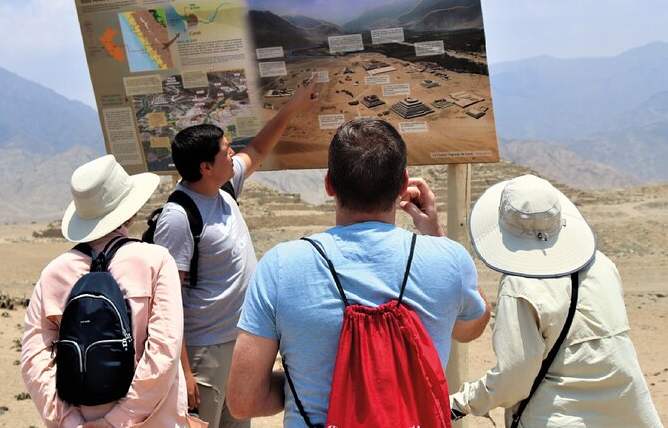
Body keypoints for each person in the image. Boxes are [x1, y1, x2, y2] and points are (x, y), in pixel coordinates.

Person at [226, 118, 491, 426]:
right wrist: (435, 233)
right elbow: (470, 328)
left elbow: (244, 401)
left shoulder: (280, 266)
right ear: (404, 184)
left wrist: (307, 378)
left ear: (329, 184)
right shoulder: (449, 260)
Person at [153, 78, 319, 428]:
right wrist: (183, 371)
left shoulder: (224, 187)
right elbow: (167, 302)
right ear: (205, 167)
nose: (233, 154)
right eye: (226, 150)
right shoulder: (179, 218)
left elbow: (257, 150)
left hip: (240, 344)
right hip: (204, 354)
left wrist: (294, 105)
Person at [450, 174, 663, 427]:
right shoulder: (603, 264)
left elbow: (514, 376)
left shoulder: (519, 284)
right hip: (628, 412)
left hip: (558, 416)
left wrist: (461, 403)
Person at [21, 154, 204, 428]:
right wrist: (118, 420)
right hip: (153, 420)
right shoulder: (155, 261)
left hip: (80, 419)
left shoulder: (53, 273)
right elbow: (164, 351)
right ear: (129, 213)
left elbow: (34, 360)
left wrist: (70, 421)